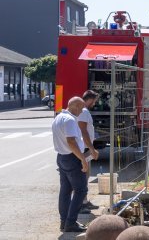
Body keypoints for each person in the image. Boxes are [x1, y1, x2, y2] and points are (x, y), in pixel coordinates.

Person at [52, 96, 89, 232]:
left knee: (65, 191)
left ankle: (64, 222)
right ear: (76, 107)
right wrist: (83, 159)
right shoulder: (70, 120)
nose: (82, 111)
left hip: (61, 157)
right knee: (81, 190)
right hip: (71, 158)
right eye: (82, 108)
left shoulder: (58, 118)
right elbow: (71, 142)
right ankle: (71, 222)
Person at [78, 90, 99, 212]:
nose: (94, 104)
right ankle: (81, 203)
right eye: (94, 101)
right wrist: (91, 148)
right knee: (83, 176)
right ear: (90, 100)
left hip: (85, 148)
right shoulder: (84, 111)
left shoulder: (83, 111)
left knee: (85, 176)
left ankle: (84, 201)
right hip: (85, 149)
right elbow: (83, 131)